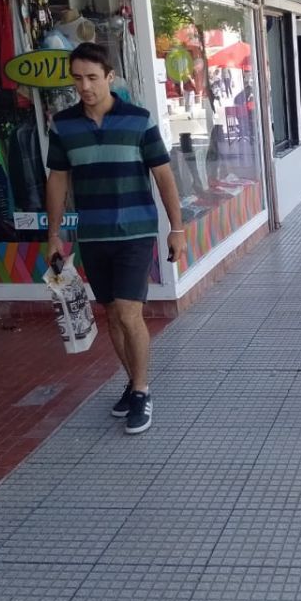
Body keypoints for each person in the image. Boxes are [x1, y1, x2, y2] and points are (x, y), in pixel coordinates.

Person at [46, 43, 186, 436]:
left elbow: (163, 175)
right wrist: (53, 235)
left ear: (110, 76)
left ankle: (141, 391)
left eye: (93, 77)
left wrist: (177, 229)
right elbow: (57, 180)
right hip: (92, 234)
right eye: (77, 78)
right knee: (111, 314)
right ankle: (132, 381)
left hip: (135, 232)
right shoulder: (63, 125)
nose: (85, 86)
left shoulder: (138, 120)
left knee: (128, 313)